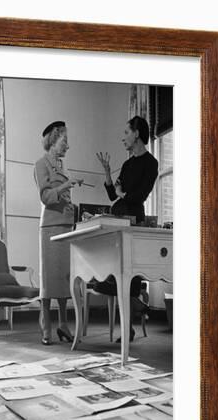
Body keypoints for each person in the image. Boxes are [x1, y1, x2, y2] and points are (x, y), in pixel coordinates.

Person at [95, 115, 158, 342]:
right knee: (115, 273)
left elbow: (140, 195)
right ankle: (137, 305)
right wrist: (107, 173)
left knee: (128, 275)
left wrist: (122, 193)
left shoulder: (151, 163)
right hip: (117, 216)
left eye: (126, 132)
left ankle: (132, 318)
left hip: (133, 219)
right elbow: (114, 194)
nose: (123, 137)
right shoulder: (127, 164)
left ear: (137, 133)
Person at [34, 121, 83, 346]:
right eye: (65, 141)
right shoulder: (40, 164)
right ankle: (47, 326)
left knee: (64, 279)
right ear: (53, 140)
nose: (68, 146)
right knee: (48, 280)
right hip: (51, 227)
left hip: (66, 226)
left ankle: (63, 324)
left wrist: (71, 188)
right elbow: (45, 197)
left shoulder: (63, 167)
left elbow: (64, 197)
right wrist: (67, 185)